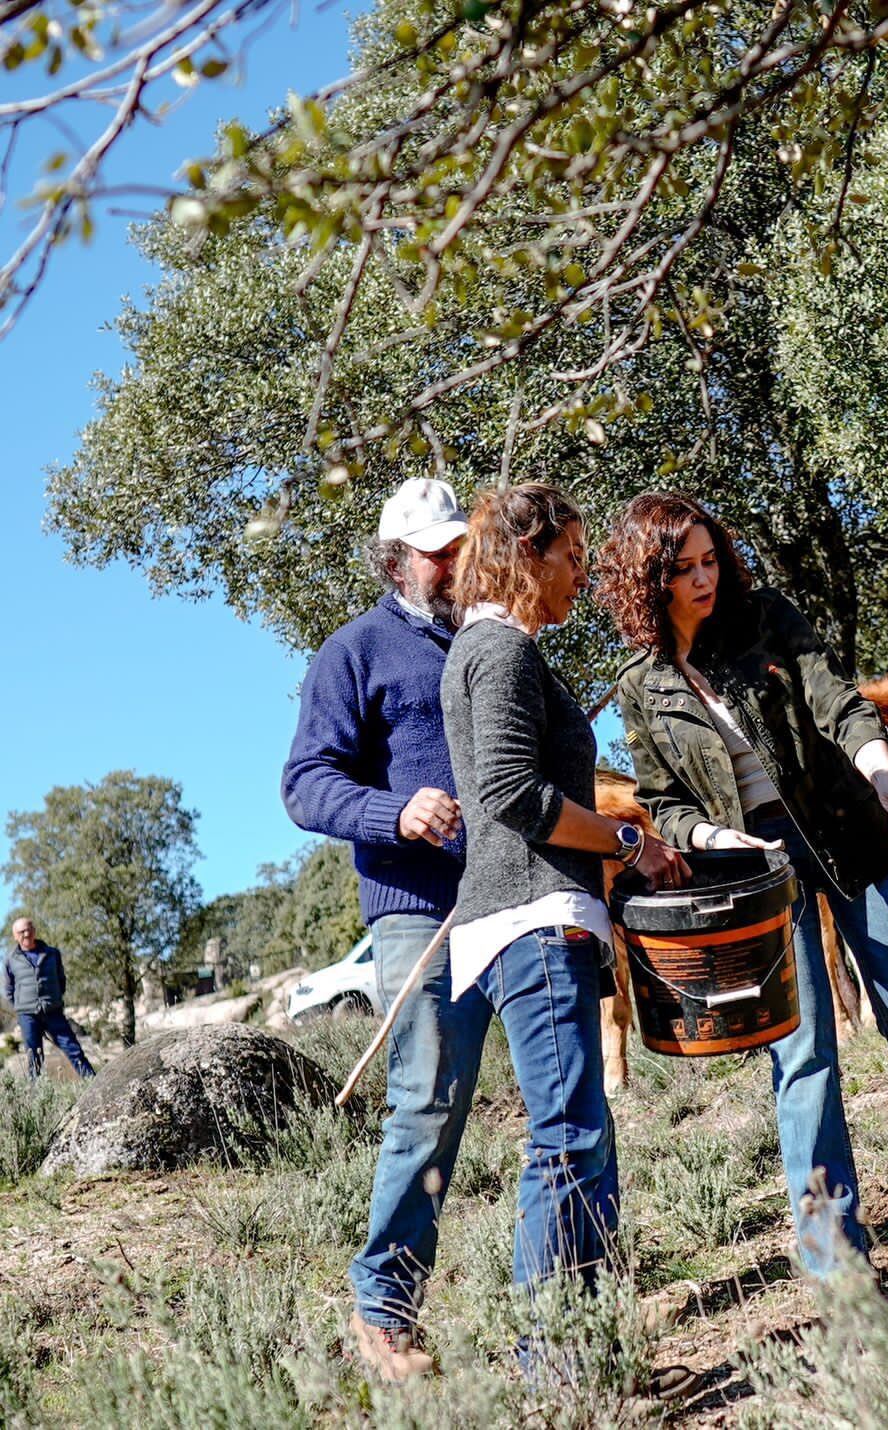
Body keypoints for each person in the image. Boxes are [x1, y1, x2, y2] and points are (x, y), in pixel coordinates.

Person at [594, 491, 888, 1278]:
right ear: (646, 578)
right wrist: (708, 836)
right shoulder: (641, 682)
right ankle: (835, 1257)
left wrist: (886, 777)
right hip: (756, 868)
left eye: (709, 561)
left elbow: (839, 704)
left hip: (854, 833)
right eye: (682, 569)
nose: (704, 580)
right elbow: (662, 797)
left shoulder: (767, 617)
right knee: (803, 1057)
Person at [439, 482, 687, 1353]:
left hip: (541, 917)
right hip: (532, 920)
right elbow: (512, 794)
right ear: (526, 555)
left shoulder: (498, 652)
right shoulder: (499, 654)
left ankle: (589, 1318)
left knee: (580, 1126)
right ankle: (552, 1354)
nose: (583, 575)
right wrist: (624, 838)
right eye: (572, 557)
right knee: (567, 1134)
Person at [280, 476, 475, 1382]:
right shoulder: (354, 651)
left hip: (517, 897)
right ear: (398, 563)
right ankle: (383, 1314)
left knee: (570, 1087)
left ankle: (575, 1290)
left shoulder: (492, 640)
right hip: (417, 910)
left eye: (460, 544)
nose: (454, 561)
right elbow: (306, 783)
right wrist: (393, 813)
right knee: (427, 1100)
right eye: (438, 550)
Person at [4, 917, 94, 1080]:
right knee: (34, 1059)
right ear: (15, 936)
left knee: (74, 1049)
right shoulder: (11, 959)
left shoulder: (52, 953)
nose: (26, 933)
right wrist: (21, 1006)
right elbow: (9, 990)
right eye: (21, 931)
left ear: (34, 930)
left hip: (53, 1011)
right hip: (27, 1016)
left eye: (29, 929)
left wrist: (54, 999)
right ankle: (36, 1098)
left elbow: (61, 980)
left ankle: (93, 1082)